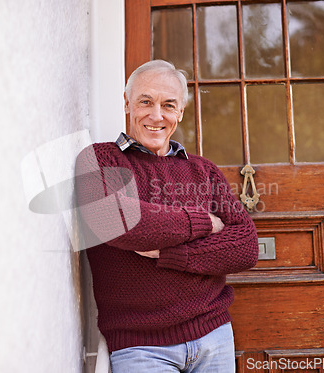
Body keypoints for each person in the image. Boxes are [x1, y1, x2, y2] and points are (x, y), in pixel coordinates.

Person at [75, 60, 259, 372]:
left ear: (181, 112)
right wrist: (205, 222)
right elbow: (122, 222)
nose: (156, 115)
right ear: (127, 103)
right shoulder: (99, 159)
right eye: (145, 101)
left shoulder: (204, 170)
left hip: (214, 336)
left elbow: (246, 246)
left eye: (168, 105)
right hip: (140, 348)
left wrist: (170, 253)